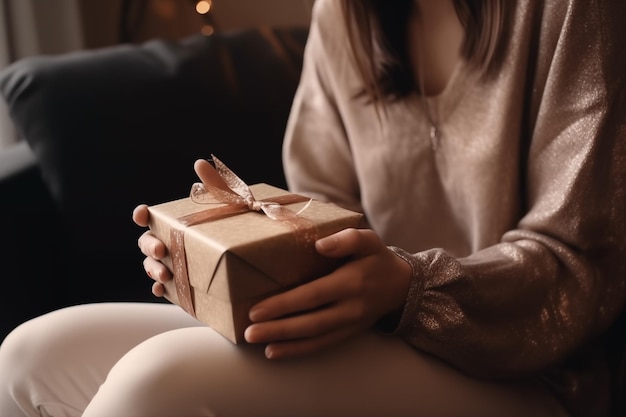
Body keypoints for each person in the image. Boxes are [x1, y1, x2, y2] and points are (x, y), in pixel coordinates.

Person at [1, 0, 624, 416]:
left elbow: (580, 263)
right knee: (31, 352)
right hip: (368, 335)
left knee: (157, 380)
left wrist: (411, 287)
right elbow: (318, 214)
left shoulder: (573, 11)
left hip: (532, 372)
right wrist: (211, 269)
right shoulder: (345, 12)